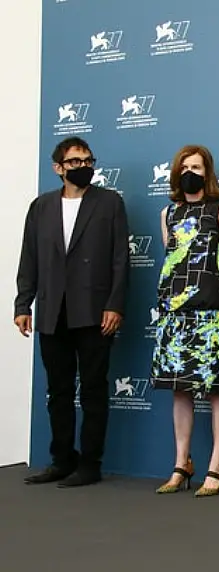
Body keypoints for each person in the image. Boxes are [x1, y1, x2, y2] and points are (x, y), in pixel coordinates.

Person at [15, 136, 129, 488]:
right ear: (58, 168)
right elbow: (29, 258)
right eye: (74, 162)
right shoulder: (41, 207)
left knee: (93, 389)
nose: (83, 167)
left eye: (87, 160)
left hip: (94, 311)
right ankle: (61, 460)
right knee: (58, 390)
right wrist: (23, 304)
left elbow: (120, 259)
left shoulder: (109, 203)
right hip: (52, 311)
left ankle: (90, 463)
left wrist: (114, 304)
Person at [151, 145, 219, 498]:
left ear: (208, 173)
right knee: (180, 388)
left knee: (217, 389)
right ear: (176, 173)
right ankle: (181, 464)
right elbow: (172, 259)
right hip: (175, 314)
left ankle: (217, 463)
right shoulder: (168, 214)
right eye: (185, 166)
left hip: (211, 311)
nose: (191, 171)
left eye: (198, 166)